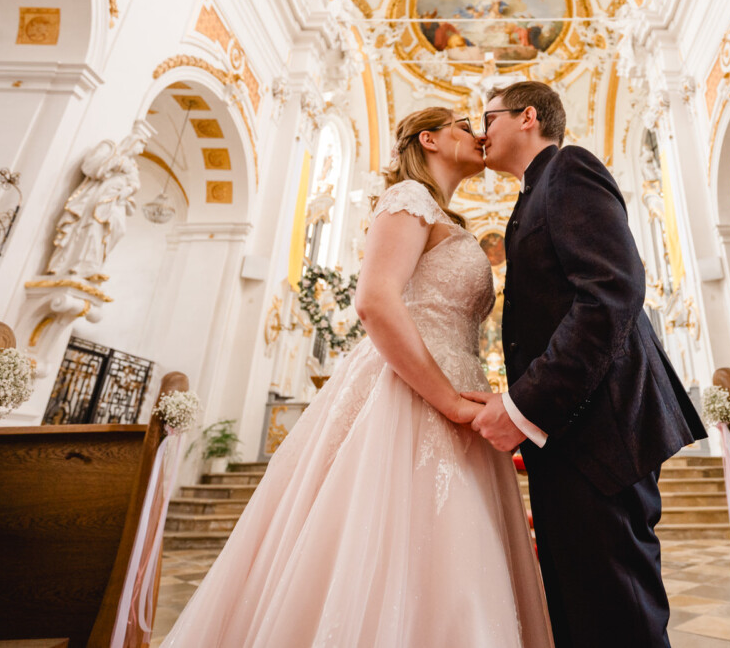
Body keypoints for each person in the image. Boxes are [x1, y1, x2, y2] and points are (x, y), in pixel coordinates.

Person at [161, 107, 552, 647]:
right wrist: (451, 402)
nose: (479, 133)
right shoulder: (408, 198)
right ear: (430, 139)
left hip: (457, 384)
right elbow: (374, 302)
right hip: (414, 393)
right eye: (465, 124)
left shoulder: (440, 215)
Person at [465, 81, 706, 648]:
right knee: (581, 599)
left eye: (489, 118)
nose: (482, 132)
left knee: (616, 607)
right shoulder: (532, 195)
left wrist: (525, 404)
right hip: (572, 429)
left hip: (601, 428)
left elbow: (610, 293)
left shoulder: (568, 169)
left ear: (528, 117)